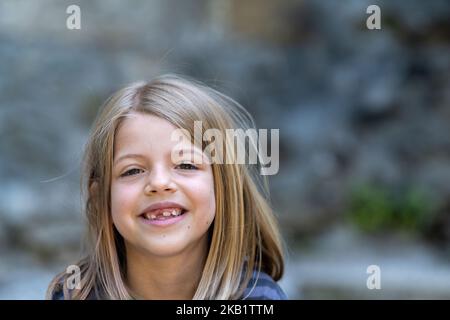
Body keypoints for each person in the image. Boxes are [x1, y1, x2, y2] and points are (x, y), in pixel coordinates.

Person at [46, 74, 287, 300]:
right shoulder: (74, 295)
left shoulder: (259, 297)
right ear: (101, 199)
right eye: (133, 170)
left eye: (186, 164)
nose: (159, 183)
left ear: (224, 187)